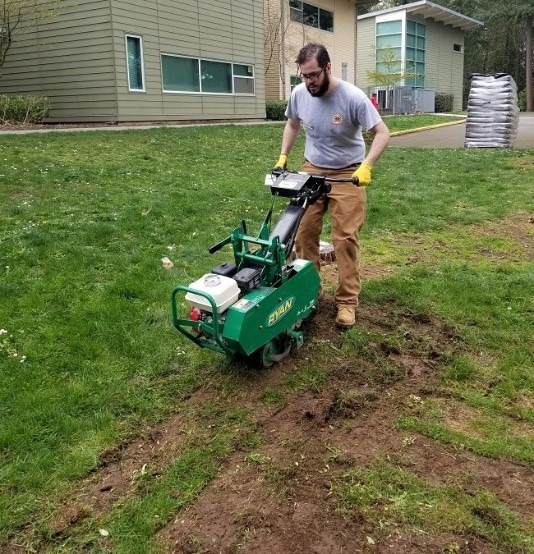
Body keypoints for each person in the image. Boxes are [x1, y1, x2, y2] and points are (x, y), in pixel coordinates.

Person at [273, 43, 389, 329]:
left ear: (327, 68)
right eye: (304, 76)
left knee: (345, 238)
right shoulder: (300, 94)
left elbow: (382, 132)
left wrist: (367, 166)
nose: (309, 82)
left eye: (314, 75)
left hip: (348, 171)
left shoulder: (352, 97)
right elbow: (292, 124)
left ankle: (347, 302)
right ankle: (309, 295)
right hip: (313, 169)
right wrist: (283, 158)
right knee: (303, 233)